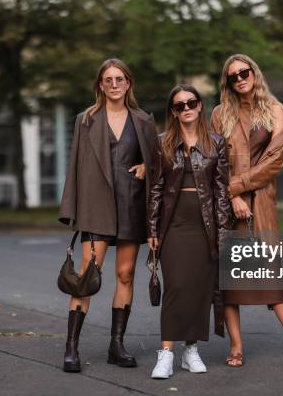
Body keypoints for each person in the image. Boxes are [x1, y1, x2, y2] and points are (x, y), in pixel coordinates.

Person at [211, 54, 283, 372]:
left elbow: (274, 162)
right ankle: (236, 346)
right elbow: (215, 162)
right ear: (227, 83)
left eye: (244, 72)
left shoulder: (275, 111)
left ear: (255, 73)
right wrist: (232, 195)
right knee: (230, 283)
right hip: (228, 208)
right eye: (233, 76)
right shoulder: (218, 114)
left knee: (272, 279)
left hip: (261, 205)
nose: (240, 78)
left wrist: (237, 188)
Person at [58, 58, 158, 373]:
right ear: (100, 85)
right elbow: (74, 166)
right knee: (87, 276)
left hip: (131, 204)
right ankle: (71, 348)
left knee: (126, 275)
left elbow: (157, 157)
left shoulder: (143, 120)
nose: (114, 84)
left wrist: (147, 166)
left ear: (128, 83)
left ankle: (117, 345)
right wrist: (71, 210)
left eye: (119, 79)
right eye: (108, 79)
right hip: (96, 206)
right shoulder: (84, 120)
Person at [147, 84, 232, 379]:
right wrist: (152, 228)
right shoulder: (162, 143)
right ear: (172, 111)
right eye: (179, 105)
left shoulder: (217, 143)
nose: (186, 109)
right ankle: (166, 353)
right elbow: (156, 188)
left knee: (199, 289)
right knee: (176, 287)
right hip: (173, 224)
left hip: (205, 224)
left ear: (199, 106)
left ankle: (191, 351)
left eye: (191, 103)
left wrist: (223, 230)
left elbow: (221, 191)